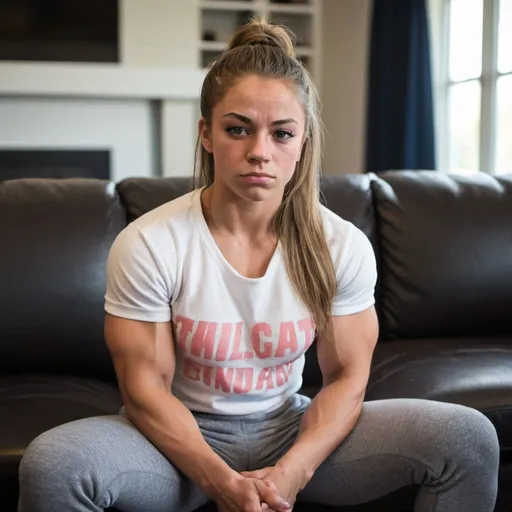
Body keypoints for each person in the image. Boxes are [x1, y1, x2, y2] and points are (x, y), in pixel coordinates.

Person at [18, 18, 499, 512]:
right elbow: (145, 391)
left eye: (282, 133)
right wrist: (222, 483)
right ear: (207, 134)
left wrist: (291, 474)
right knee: (55, 462)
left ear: (303, 142)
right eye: (238, 129)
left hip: (291, 429)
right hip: (177, 443)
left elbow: (347, 381)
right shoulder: (149, 243)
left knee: (466, 435)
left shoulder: (341, 245)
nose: (259, 153)